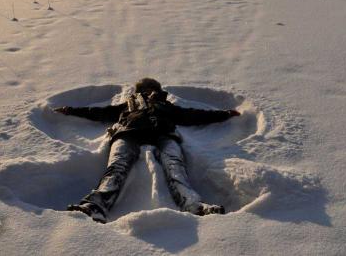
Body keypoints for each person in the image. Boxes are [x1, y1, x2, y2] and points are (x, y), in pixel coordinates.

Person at [51, 78, 240, 223]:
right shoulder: (128, 105)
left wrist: (223, 114)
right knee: (117, 167)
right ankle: (94, 206)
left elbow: (192, 115)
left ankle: (195, 206)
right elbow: (99, 112)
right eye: (145, 89)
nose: (149, 92)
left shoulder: (166, 106)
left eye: (152, 89)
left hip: (163, 134)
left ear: (157, 90)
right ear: (139, 91)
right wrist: (71, 110)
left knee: (175, 166)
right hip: (129, 133)